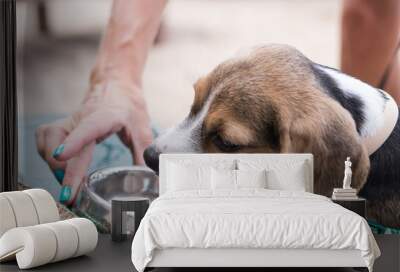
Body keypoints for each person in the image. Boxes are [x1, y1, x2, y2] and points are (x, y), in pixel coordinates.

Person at [36, 0, 400, 205]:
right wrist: (116, 81)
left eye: (224, 141)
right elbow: (370, 11)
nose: (159, 150)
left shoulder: (323, 144)